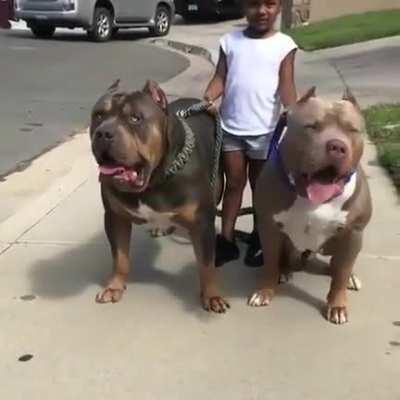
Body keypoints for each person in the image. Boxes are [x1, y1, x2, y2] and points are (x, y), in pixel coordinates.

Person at [203, 0, 298, 267]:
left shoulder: (284, 45)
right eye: (255, 4)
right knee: (234, 184)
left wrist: (293, 110)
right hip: (231, 128)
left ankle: (260, 237)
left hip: (265, 131)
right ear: (244, 7)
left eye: (270, 4)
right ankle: (227, 239)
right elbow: (221, 77)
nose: (262, 11)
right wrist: (210, 95)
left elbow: (287, 84)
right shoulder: (230, 41)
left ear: (279, 7)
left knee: (260, 187)